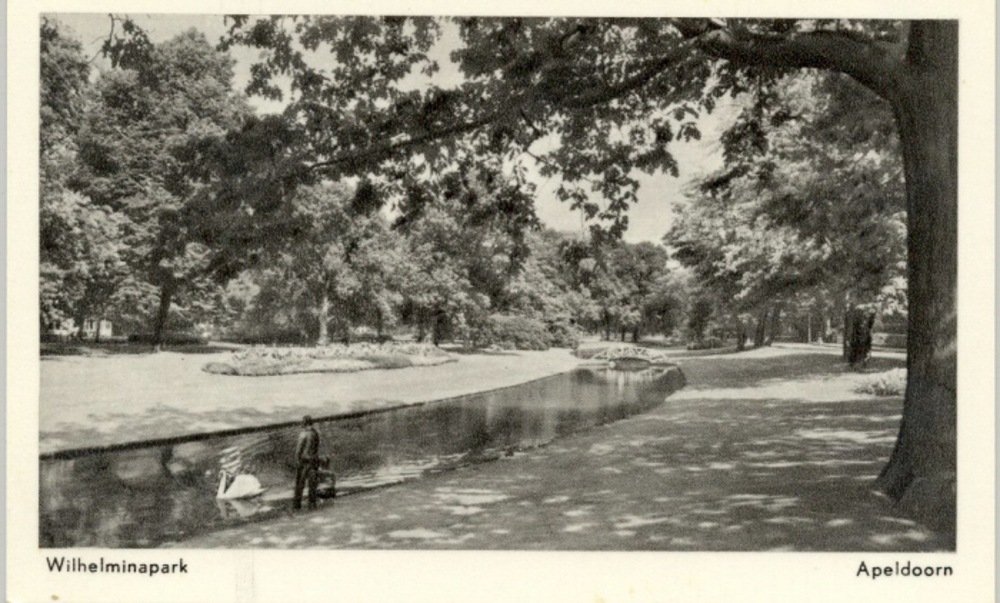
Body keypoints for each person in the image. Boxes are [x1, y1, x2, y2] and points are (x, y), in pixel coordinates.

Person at [292, 415, 321, 510]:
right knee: (312, 484)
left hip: (304, 461)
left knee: (300, 484)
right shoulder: (316, 433)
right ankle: (312, 505)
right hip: (314, 460)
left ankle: (297, 505)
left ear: (305, 423)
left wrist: (297, 461)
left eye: (302, 422)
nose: (301, 424)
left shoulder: (303, 434)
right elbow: (316, 448)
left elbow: (298, 450)